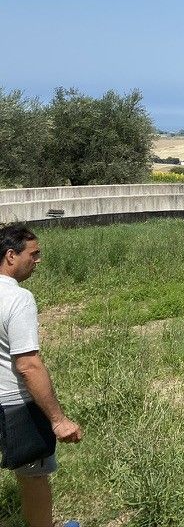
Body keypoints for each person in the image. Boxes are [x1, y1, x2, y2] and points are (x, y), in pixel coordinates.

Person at [0, 224, 82, 527]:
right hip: (14, 403)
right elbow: (28, 365)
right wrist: (58, 420)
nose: (38, 260)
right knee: (33, 476)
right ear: (11, 256)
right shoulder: (18, 299)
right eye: (33, 254)